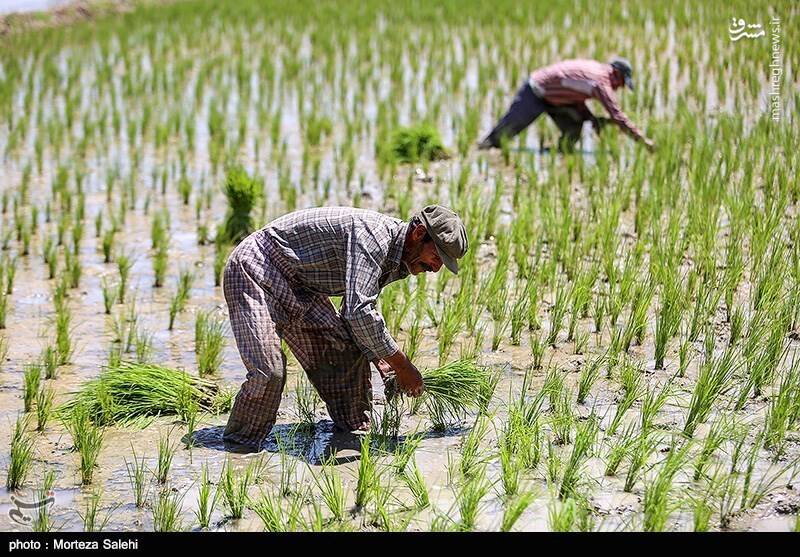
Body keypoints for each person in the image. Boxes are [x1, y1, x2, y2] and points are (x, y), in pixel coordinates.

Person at [221, 205, 468, 451]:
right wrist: (402, 365)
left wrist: (380, 358)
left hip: (303, 286)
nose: (436, 268)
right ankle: (240, 448)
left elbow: (356, 312)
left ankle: (353, 431)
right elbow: (358, 311)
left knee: (345, 354)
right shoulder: (374, 239)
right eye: (437, 257)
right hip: (256, 268)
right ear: (419, 233)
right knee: (269, 372)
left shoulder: (400, 257)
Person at [479, 57, 656, 152]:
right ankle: (482, 149)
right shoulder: (601, 83)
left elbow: (575, 94)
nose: (620, 88)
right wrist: (644, 142)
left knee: (575, 125)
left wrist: (590, 117)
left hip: (559, 99)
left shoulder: (597, 71)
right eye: (622, 83)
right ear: (616, 74)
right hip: (536, 91)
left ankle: (560, 153)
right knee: (506, 131)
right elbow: (618, 116)